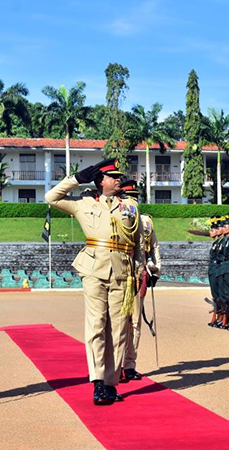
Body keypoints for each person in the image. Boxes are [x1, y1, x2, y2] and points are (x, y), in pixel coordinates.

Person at [45, 158, 143, 405]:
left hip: (122, 271)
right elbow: (51, 198)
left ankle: (111, 383)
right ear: (101, 181)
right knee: (96, 326)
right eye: (114, 177)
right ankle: (98, 382)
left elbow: (138, 243)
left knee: (119, 330)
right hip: (93, 270)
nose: (119, 179)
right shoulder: (84, 203)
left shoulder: (130, 207)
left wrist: (140, 270)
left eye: (119, 177)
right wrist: (76, 179)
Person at [118, 180, 161, 381]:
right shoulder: (115, 217)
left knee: (135, 322)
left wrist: (156, 270)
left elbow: (154, 247)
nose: (132, 202)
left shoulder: (145, 222)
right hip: (118, 276)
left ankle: (130, 364)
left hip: (138, 275)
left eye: (135, 198)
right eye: (129, 198)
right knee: (117, 323)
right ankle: (114, 365)